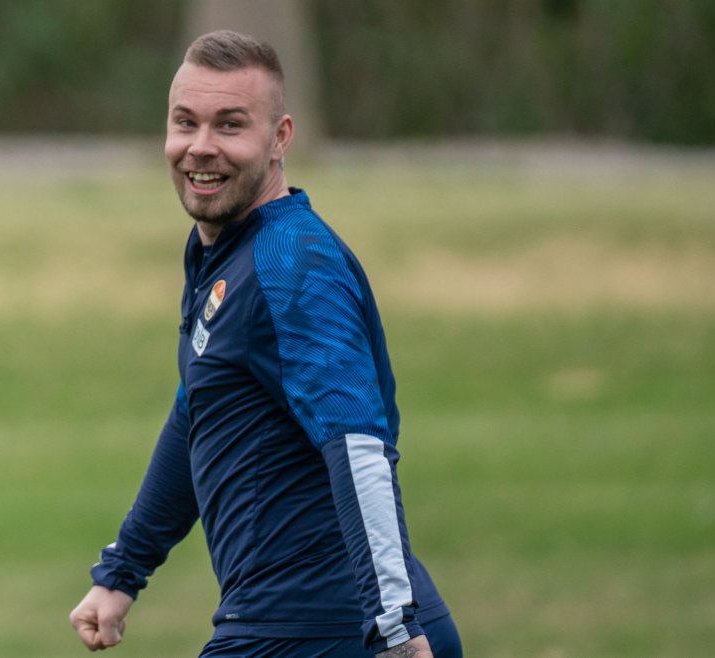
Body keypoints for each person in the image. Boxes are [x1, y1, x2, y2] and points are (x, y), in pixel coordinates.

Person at [69, 30, 461, 658]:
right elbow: (200, 410)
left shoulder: (290, 262)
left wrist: (393, 629)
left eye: (230, 125)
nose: (201, 146)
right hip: (294, 624)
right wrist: (122, 572)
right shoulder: (223, 251)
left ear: (280, 138)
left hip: (323, 630)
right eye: (185, 123)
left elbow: (358, 446)